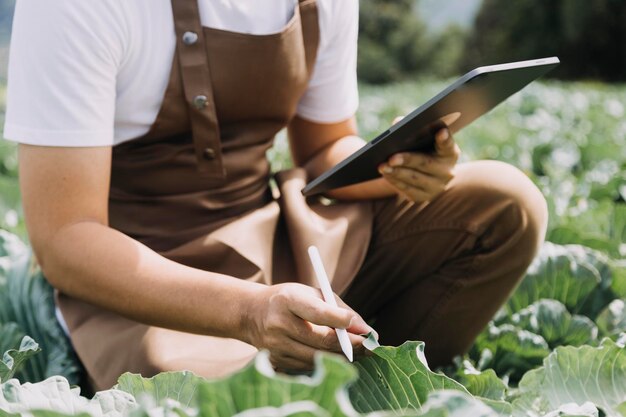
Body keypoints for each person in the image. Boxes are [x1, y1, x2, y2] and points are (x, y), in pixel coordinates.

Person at [4, 0, 548, 391]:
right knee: (204, 394)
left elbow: (327, 145)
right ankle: (333, 377)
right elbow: (65, 240)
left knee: (505, 205)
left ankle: (371, 378)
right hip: (140, 288)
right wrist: (247, 312)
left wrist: (400, 165)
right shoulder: (71, 7)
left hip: (274, 240)